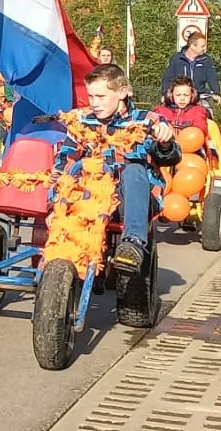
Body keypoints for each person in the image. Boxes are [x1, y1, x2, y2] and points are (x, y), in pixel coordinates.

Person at [65, 63, 182, 277]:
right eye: (91, 96)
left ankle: (132, 244)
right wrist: (54, 200)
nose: (94, 103)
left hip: (131, 199)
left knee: (134, 169)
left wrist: (165, 142)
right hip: (89, 196)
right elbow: (64, 161)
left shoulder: (146, 121)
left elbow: (170, 157)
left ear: (122, 92)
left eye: (101, 97)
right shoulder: (80, 121)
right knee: (75, 169)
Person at [159, 32, 221, 102]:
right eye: (202, 46)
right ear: (192, 46)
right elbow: (168, 78)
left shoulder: (206, 60)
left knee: (206, 109)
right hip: (180, 97)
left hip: (199, 97)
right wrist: (165, 94)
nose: (205, 48)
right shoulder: (176, 59)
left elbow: (212, 78)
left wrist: (216, 93)